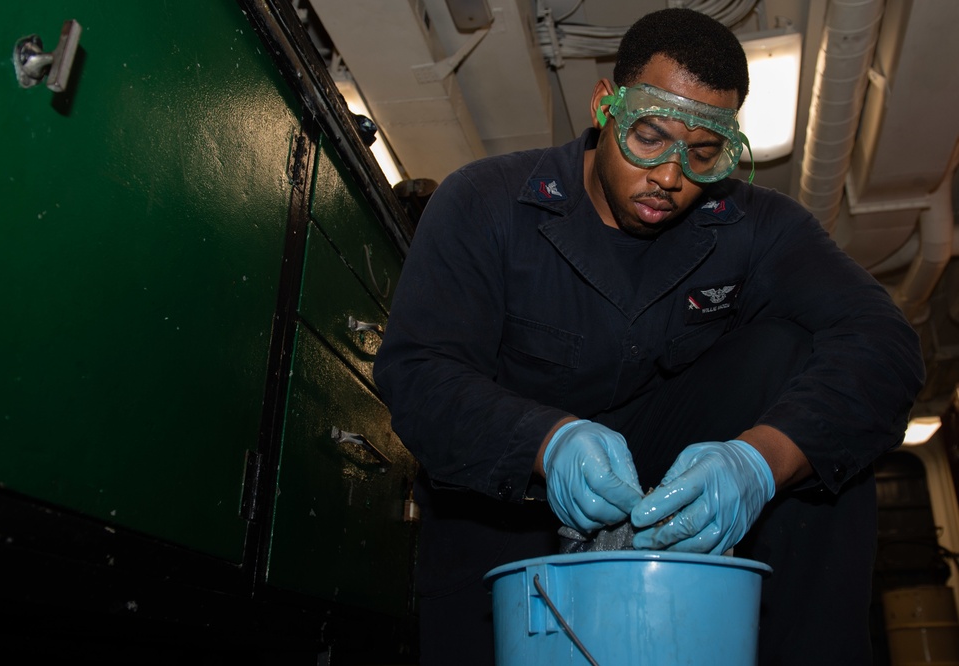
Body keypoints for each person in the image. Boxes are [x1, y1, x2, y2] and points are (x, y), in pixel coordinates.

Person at [373, 7, 925, 665]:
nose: (669, 176)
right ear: (605, 106)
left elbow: (884, 341)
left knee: (803, 359)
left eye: (701, 153)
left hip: (674, 509)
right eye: (650, 136)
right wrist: (545, 443)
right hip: (503, 518)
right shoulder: (483, 204)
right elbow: (416, 373)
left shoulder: (749, 224)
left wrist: (761, 463)